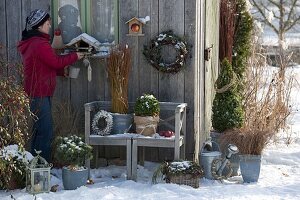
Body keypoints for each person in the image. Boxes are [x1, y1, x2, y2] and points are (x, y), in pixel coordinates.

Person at [17, 9, 84, 162]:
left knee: (39, 130)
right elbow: (54, 61)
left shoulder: (34, 42)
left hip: (38, 92)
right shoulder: (39, 44)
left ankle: (35, 166)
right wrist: (75, 56)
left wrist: (61, 72)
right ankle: (42, 168)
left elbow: (44, 66)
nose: (49, 26)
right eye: (47, 23)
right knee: (45, 131)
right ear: (39, 26)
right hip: (39, 93)